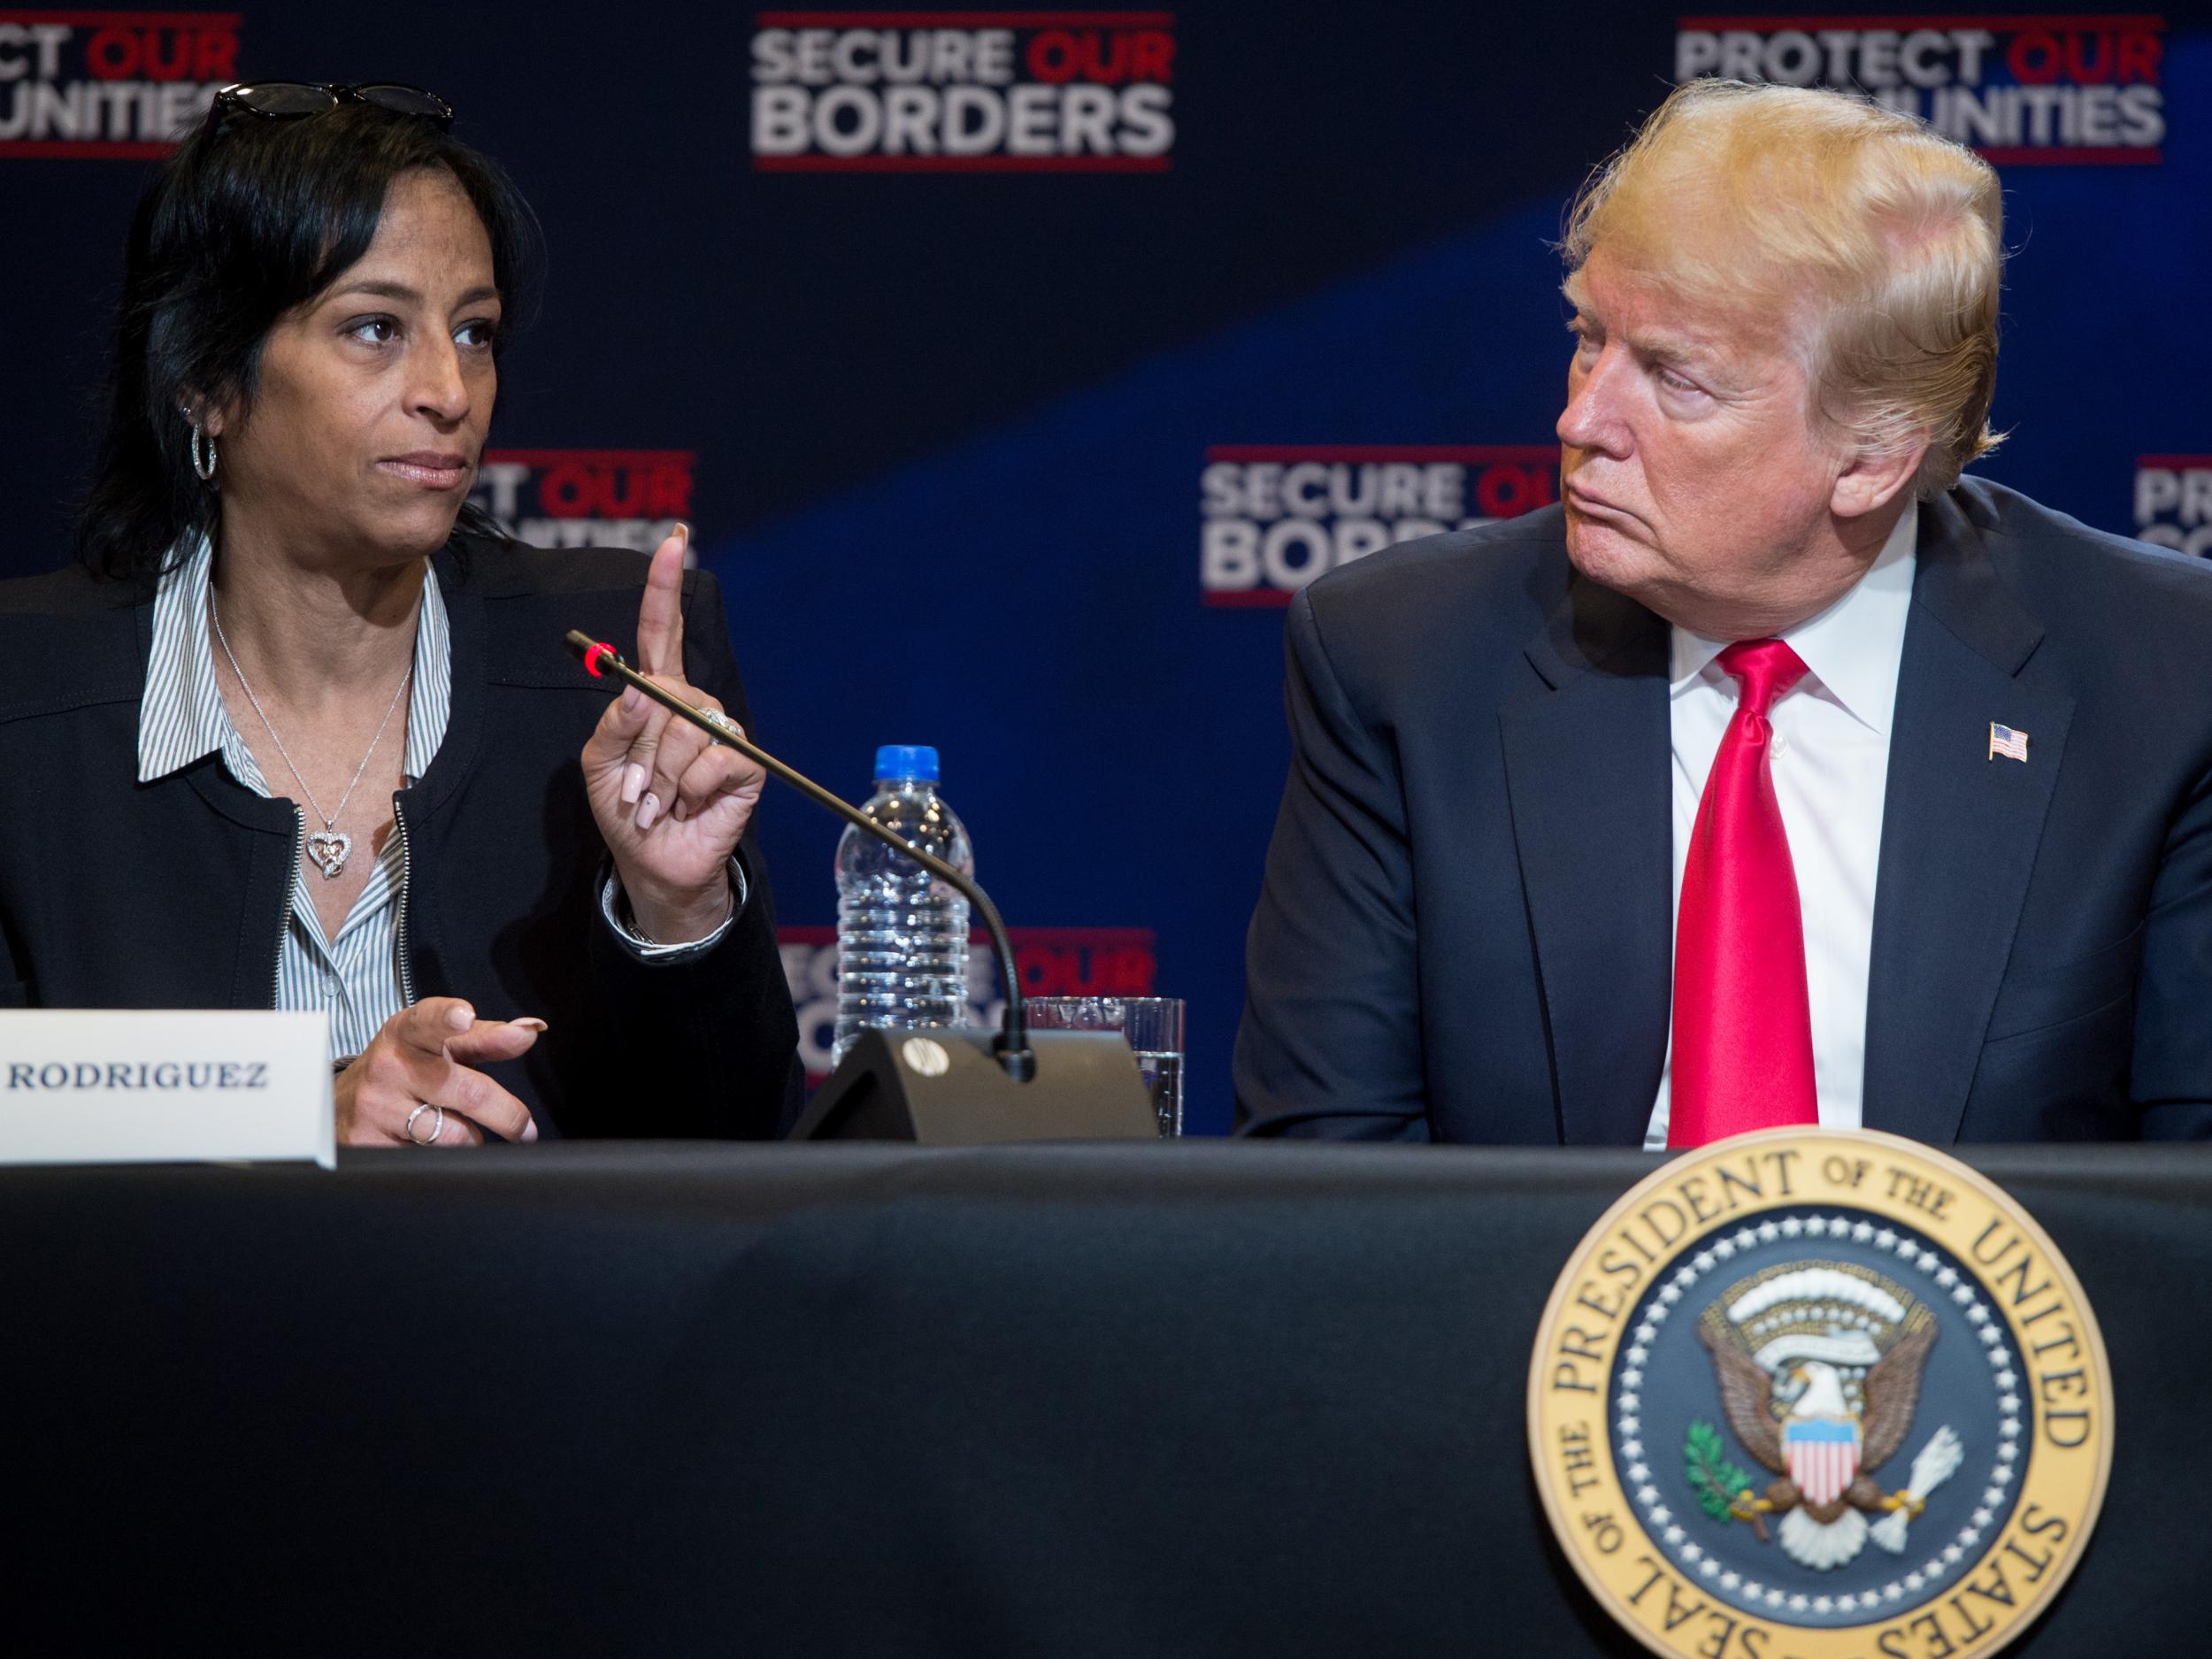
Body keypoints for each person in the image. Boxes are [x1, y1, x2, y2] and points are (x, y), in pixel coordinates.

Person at [1233, 79, 2212, 1146]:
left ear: (1872, 455)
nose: (1580, 416)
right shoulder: (1403, 660)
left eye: (1674, 378)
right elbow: (1328, 1173)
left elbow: (2182, 1210)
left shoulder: (2161, 681)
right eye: (1587, 337)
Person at [0, 82, 800, 1143]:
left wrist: (680, 913)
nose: (449, 391)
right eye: (375, 327)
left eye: (474, 333)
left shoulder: (608, 679)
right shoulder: (27, 695)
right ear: (205, 379)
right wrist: (292, 1114)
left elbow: (740, 1155)